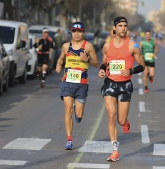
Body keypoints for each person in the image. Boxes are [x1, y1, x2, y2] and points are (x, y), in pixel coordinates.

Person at [98, 16, 145, 161]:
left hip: (125, 85)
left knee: (121, 120)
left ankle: (126, 122)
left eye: (125, 26)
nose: (123, 28)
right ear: (114, 28)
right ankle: (114, 150)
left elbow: (142, 65)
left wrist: (130, 71)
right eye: (120, 26)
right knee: (111, 115)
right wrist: (101, 70)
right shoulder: (107, 46)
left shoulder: (133, 46)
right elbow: (104, 63)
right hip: (110, 83)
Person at [56, 22, 99, 150]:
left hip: (82, 83)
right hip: (67, 82)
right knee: (67, 108)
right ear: (71, 32)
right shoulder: (66, 46)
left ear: (83, 33)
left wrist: (87, 60)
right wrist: (58, 65)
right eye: (74, 31)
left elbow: (97, 63)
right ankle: (69, 139)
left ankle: (78, 110)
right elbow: (61, 58)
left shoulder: (88, 46)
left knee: (79, 115)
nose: (76, 34)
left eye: (79, 31)